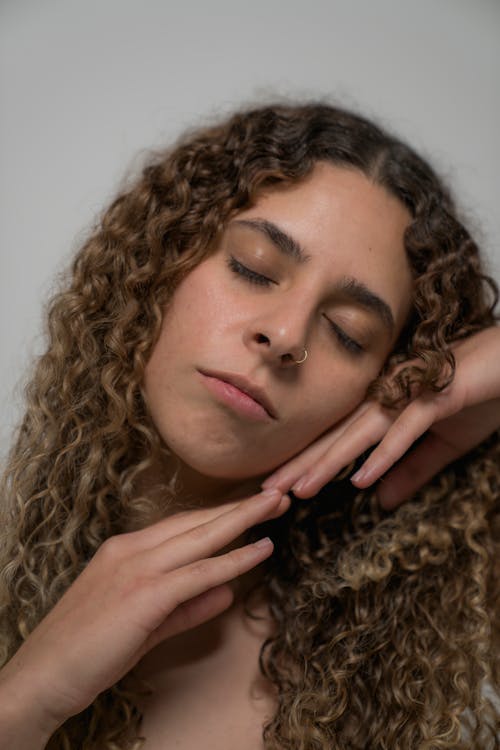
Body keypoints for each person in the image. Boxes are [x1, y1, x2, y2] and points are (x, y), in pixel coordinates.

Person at [0, 101, 499, 750]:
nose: (286, 335)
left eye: (349, 334)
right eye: (254, 268)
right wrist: (29, 696)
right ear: (161, 260)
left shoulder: (375, 675)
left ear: (384, 390)